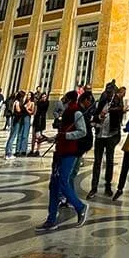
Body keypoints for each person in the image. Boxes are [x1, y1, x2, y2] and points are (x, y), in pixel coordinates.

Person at [36, 91, 89, 231]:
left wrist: (66, 136)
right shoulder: (66, 113)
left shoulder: (76, 112)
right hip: (59, 152)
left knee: (62, 183)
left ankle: (80, 207)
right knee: (53, 185)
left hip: (69, 153)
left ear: (70, 99)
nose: (62, 100)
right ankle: (51, 219)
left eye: (65, 98)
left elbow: (83, 132)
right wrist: (49, 139)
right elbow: (62, 134)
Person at [88, 84, 125, 199]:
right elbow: (93, 117)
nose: (109, 95)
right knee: (97, 162)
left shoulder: (117, 104)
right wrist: (99, 117)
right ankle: (94, 188)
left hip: (111, 136)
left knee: (109, 161)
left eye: (111, 93)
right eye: (107, 93)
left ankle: (108, 186)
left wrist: (120, 110)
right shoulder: (100, 104)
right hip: (100, 136)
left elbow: (119, 113)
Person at [4, 90, 28, 159]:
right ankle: (8, 153)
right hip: (16, 121)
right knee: (12, 136)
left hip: (15, 120)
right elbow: (18, 110)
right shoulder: (17, 102)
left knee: (11, 136)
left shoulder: (16, 101)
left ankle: (7, 152)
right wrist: (24, 108)